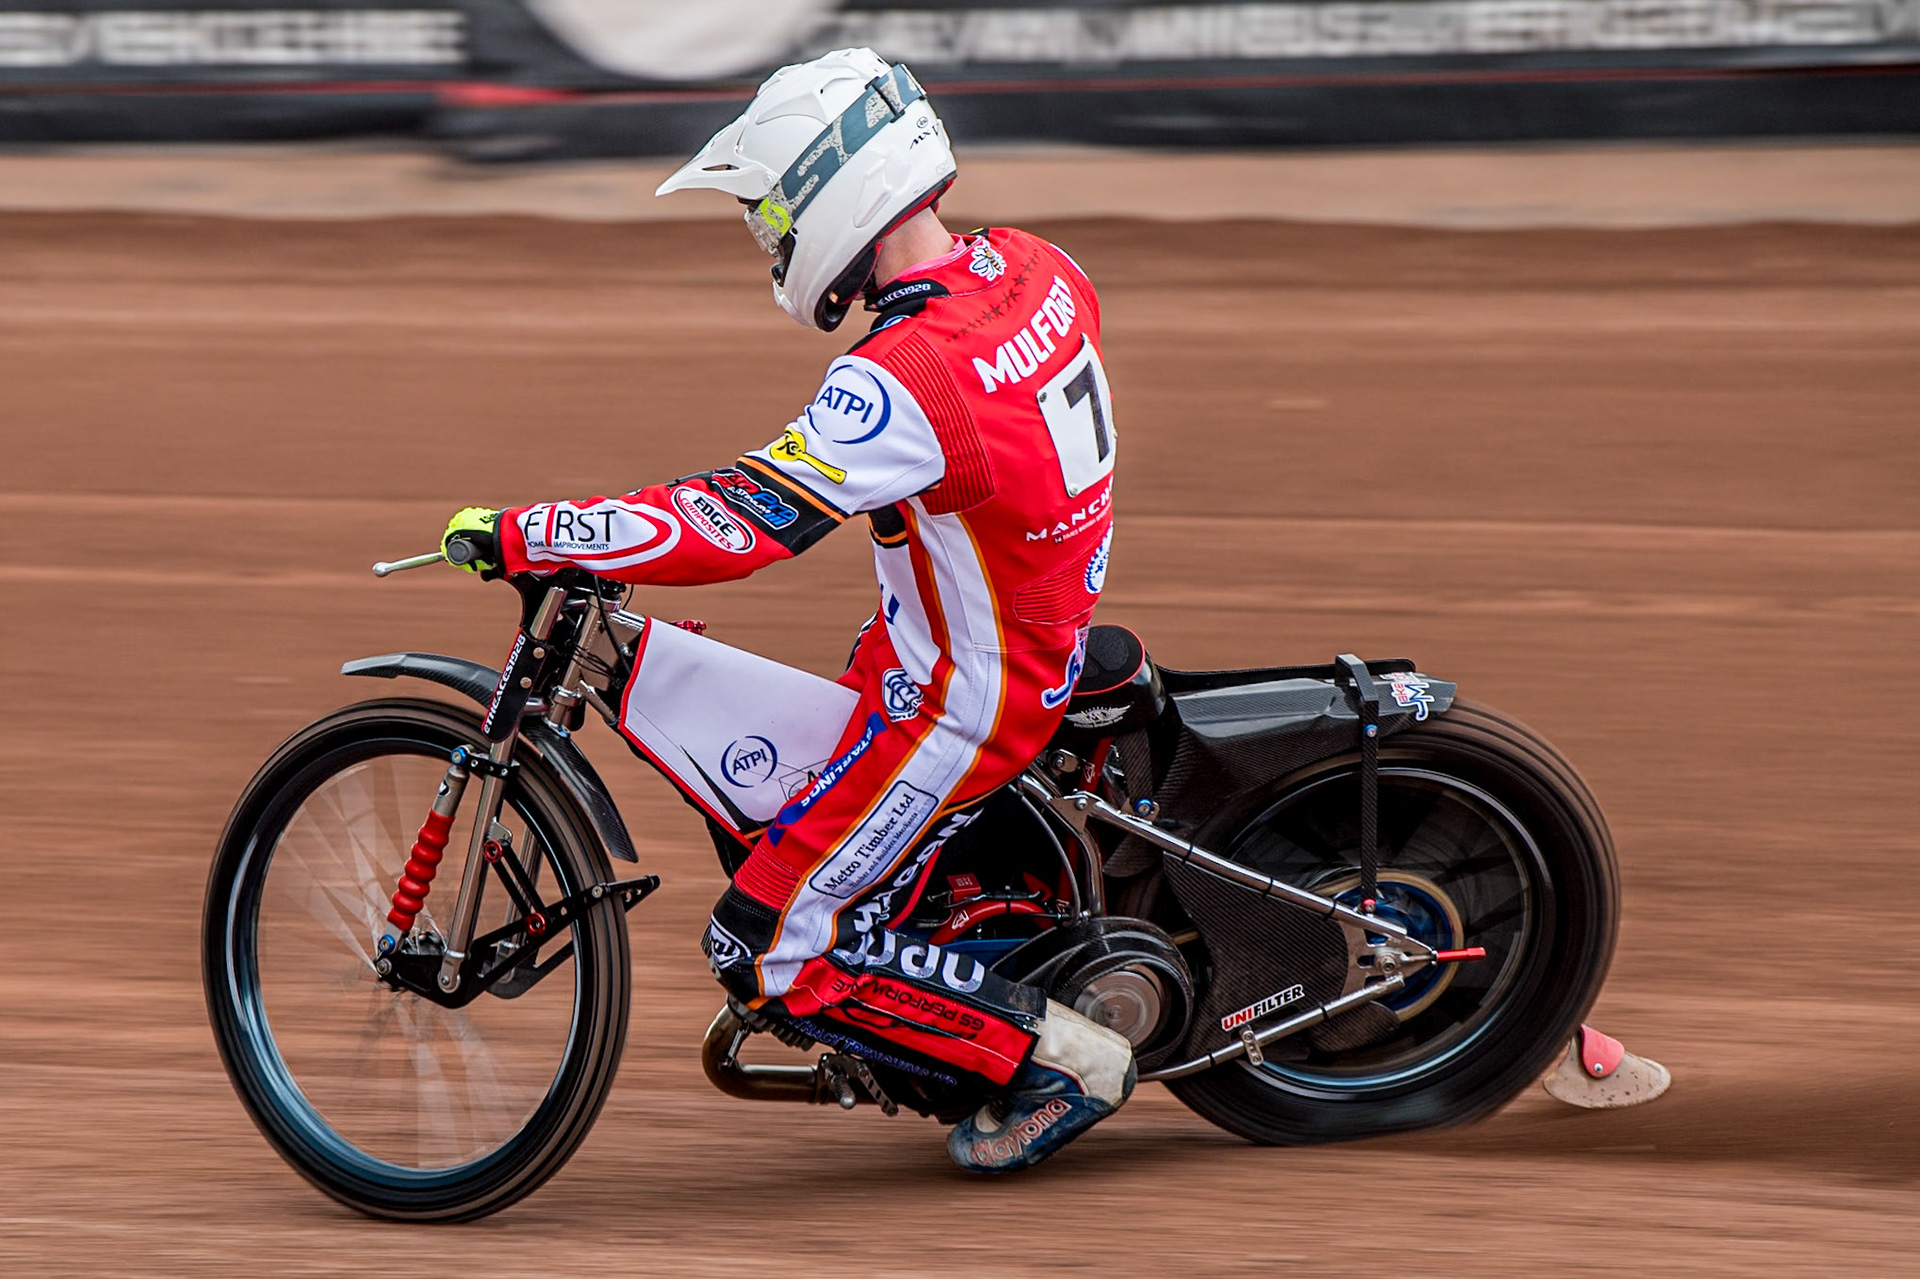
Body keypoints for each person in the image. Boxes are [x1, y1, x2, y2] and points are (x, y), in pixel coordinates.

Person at [438, 47, 1132, 1173]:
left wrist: (541, 530)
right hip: (994, 635)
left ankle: (1061, 1061)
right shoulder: (1037, 266)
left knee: (761, 946)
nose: (766, 235)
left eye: (770, 209)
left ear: (834, 187)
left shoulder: (902, 378)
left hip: (961, 700)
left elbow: (735, 524)